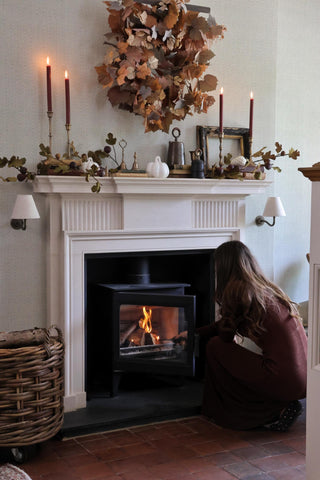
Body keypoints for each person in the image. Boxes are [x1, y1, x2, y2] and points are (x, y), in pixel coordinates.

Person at [196, 240, 307, 431]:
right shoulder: (263, 288)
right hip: (305, 379)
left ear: (222, 266)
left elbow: (225, 337)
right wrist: (195, 333)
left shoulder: (237, 289)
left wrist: (193, 336)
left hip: (284, 378)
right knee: (222, 348)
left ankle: (249, 412)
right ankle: (278, 407)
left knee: (215, 346)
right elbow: (225, 325)